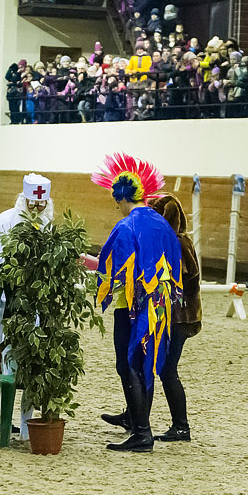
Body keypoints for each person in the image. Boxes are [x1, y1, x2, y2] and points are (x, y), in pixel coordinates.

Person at [82, 153, 182, 452]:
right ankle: (138, 424)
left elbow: (114, 270)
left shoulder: (126, 226)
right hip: (160, 305)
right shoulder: (162, 224)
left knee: (128, 365)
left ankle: (141, 432)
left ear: (122, 198)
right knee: (145, 363)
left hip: (132, 306)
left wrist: (90, 266)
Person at [0, 174, 53, 435]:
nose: (36, 208)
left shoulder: (46, 225)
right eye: (32, 203)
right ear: (23, 199)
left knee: (15, 355)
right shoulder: (3, 221)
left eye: (41, 204)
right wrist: (21, 267)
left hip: (28, 301)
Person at [148, 194, 201, 442]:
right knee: (164, 369)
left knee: (168, 371)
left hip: (180, 317)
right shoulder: (178, 241)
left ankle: (181, 427)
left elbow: (185, 275)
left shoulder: (178, 243)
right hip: (177, 316)